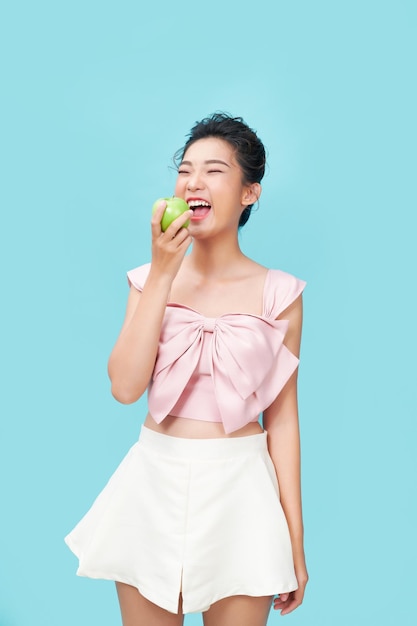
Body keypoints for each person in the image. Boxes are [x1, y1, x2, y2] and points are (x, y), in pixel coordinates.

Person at [65, 112, 308, 626]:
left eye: (214, 170)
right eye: (185, 169)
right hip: (153, 482)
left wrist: (295, 542)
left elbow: (282, 420)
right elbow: (125, 387)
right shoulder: (147, 279)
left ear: (249, 193)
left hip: (243, 490)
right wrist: (162, 273)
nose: (193, 181)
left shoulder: (280, 294)